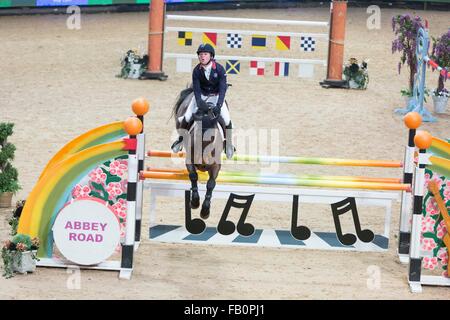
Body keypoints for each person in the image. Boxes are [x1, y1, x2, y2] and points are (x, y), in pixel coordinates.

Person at [172, 43, 235, 159]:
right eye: (200, 54)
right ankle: (180, 140)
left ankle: (229, 144)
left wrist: (219, 105)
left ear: (211, 56)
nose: (202, 56)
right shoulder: (196, 70)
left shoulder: (220, 69)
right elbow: (196, 89)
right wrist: (200, 102)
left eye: (205, 54)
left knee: (227, 120)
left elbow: (222, 90)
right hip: (201, 96)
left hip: (217, 97)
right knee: (186, 117)